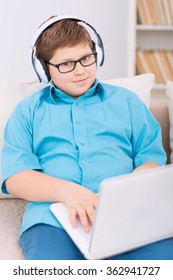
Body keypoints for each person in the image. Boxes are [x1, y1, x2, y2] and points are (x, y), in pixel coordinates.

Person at [1, 15, 172, 260]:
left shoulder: (127, 102)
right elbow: (16, 177)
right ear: (44, 68)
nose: (80, 70)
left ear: (96, 54)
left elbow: (151, 157)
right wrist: (69, 192)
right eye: (66, 64)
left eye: (86, 58)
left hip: (127, 217)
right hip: (52, 221)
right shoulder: (28, 110)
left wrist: (125, 193)